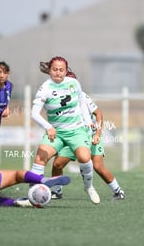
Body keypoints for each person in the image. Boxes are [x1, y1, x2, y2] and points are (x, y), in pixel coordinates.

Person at [40, 63, 125, 201]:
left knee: (98, 166)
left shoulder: (82, 96)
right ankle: (57, 192)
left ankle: (118, 191)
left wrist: (97, 134)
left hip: (90, 135)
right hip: (74, 135)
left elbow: (99, 114)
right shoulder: (58, 95)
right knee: (57, 164)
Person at [30, 56, 100, 204]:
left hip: (77, 131)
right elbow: (34, 114)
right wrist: (48, 127)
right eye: (55, 69)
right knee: (40, 158)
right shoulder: (45, 88)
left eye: (61, 70)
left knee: (84, 158)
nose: (58, 73)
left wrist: (88, 122)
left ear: (66, 71)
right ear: (49, 70)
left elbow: (81, 103)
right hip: (57, 133)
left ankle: (89, 187)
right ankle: (34, 191)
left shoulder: (74, 83)